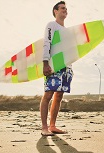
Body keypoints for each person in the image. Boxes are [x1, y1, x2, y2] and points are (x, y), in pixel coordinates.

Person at [40, 1, 73, 136]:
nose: (65, 10)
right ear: (55, 11)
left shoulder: (67, 31)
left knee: (59, 96)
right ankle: (44, 127)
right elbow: (46, 43)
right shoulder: (51, 25)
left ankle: (53, 126)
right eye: (62, 8)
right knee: (49, 94)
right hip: (53, 65)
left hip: (66, 66)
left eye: (66, 8)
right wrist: (45, 63)